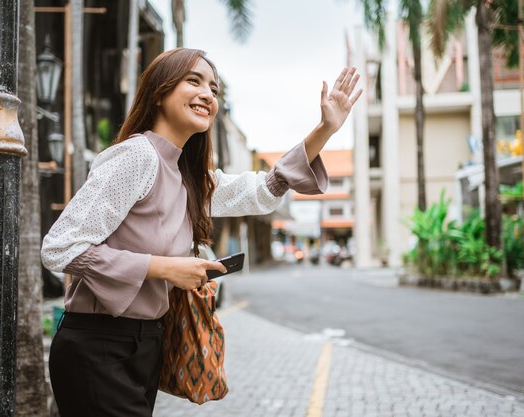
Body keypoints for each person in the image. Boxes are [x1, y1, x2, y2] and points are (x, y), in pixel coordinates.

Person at [41, 47, 362, 417]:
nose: (208, 94)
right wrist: (164, 268)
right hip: (97, 345)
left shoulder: (187, 176)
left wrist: (325, 129)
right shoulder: (137, 156)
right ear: (160, 93)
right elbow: (60, 248)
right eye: (194, 81)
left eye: (213, 88)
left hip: (145, 345)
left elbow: (264, 189)